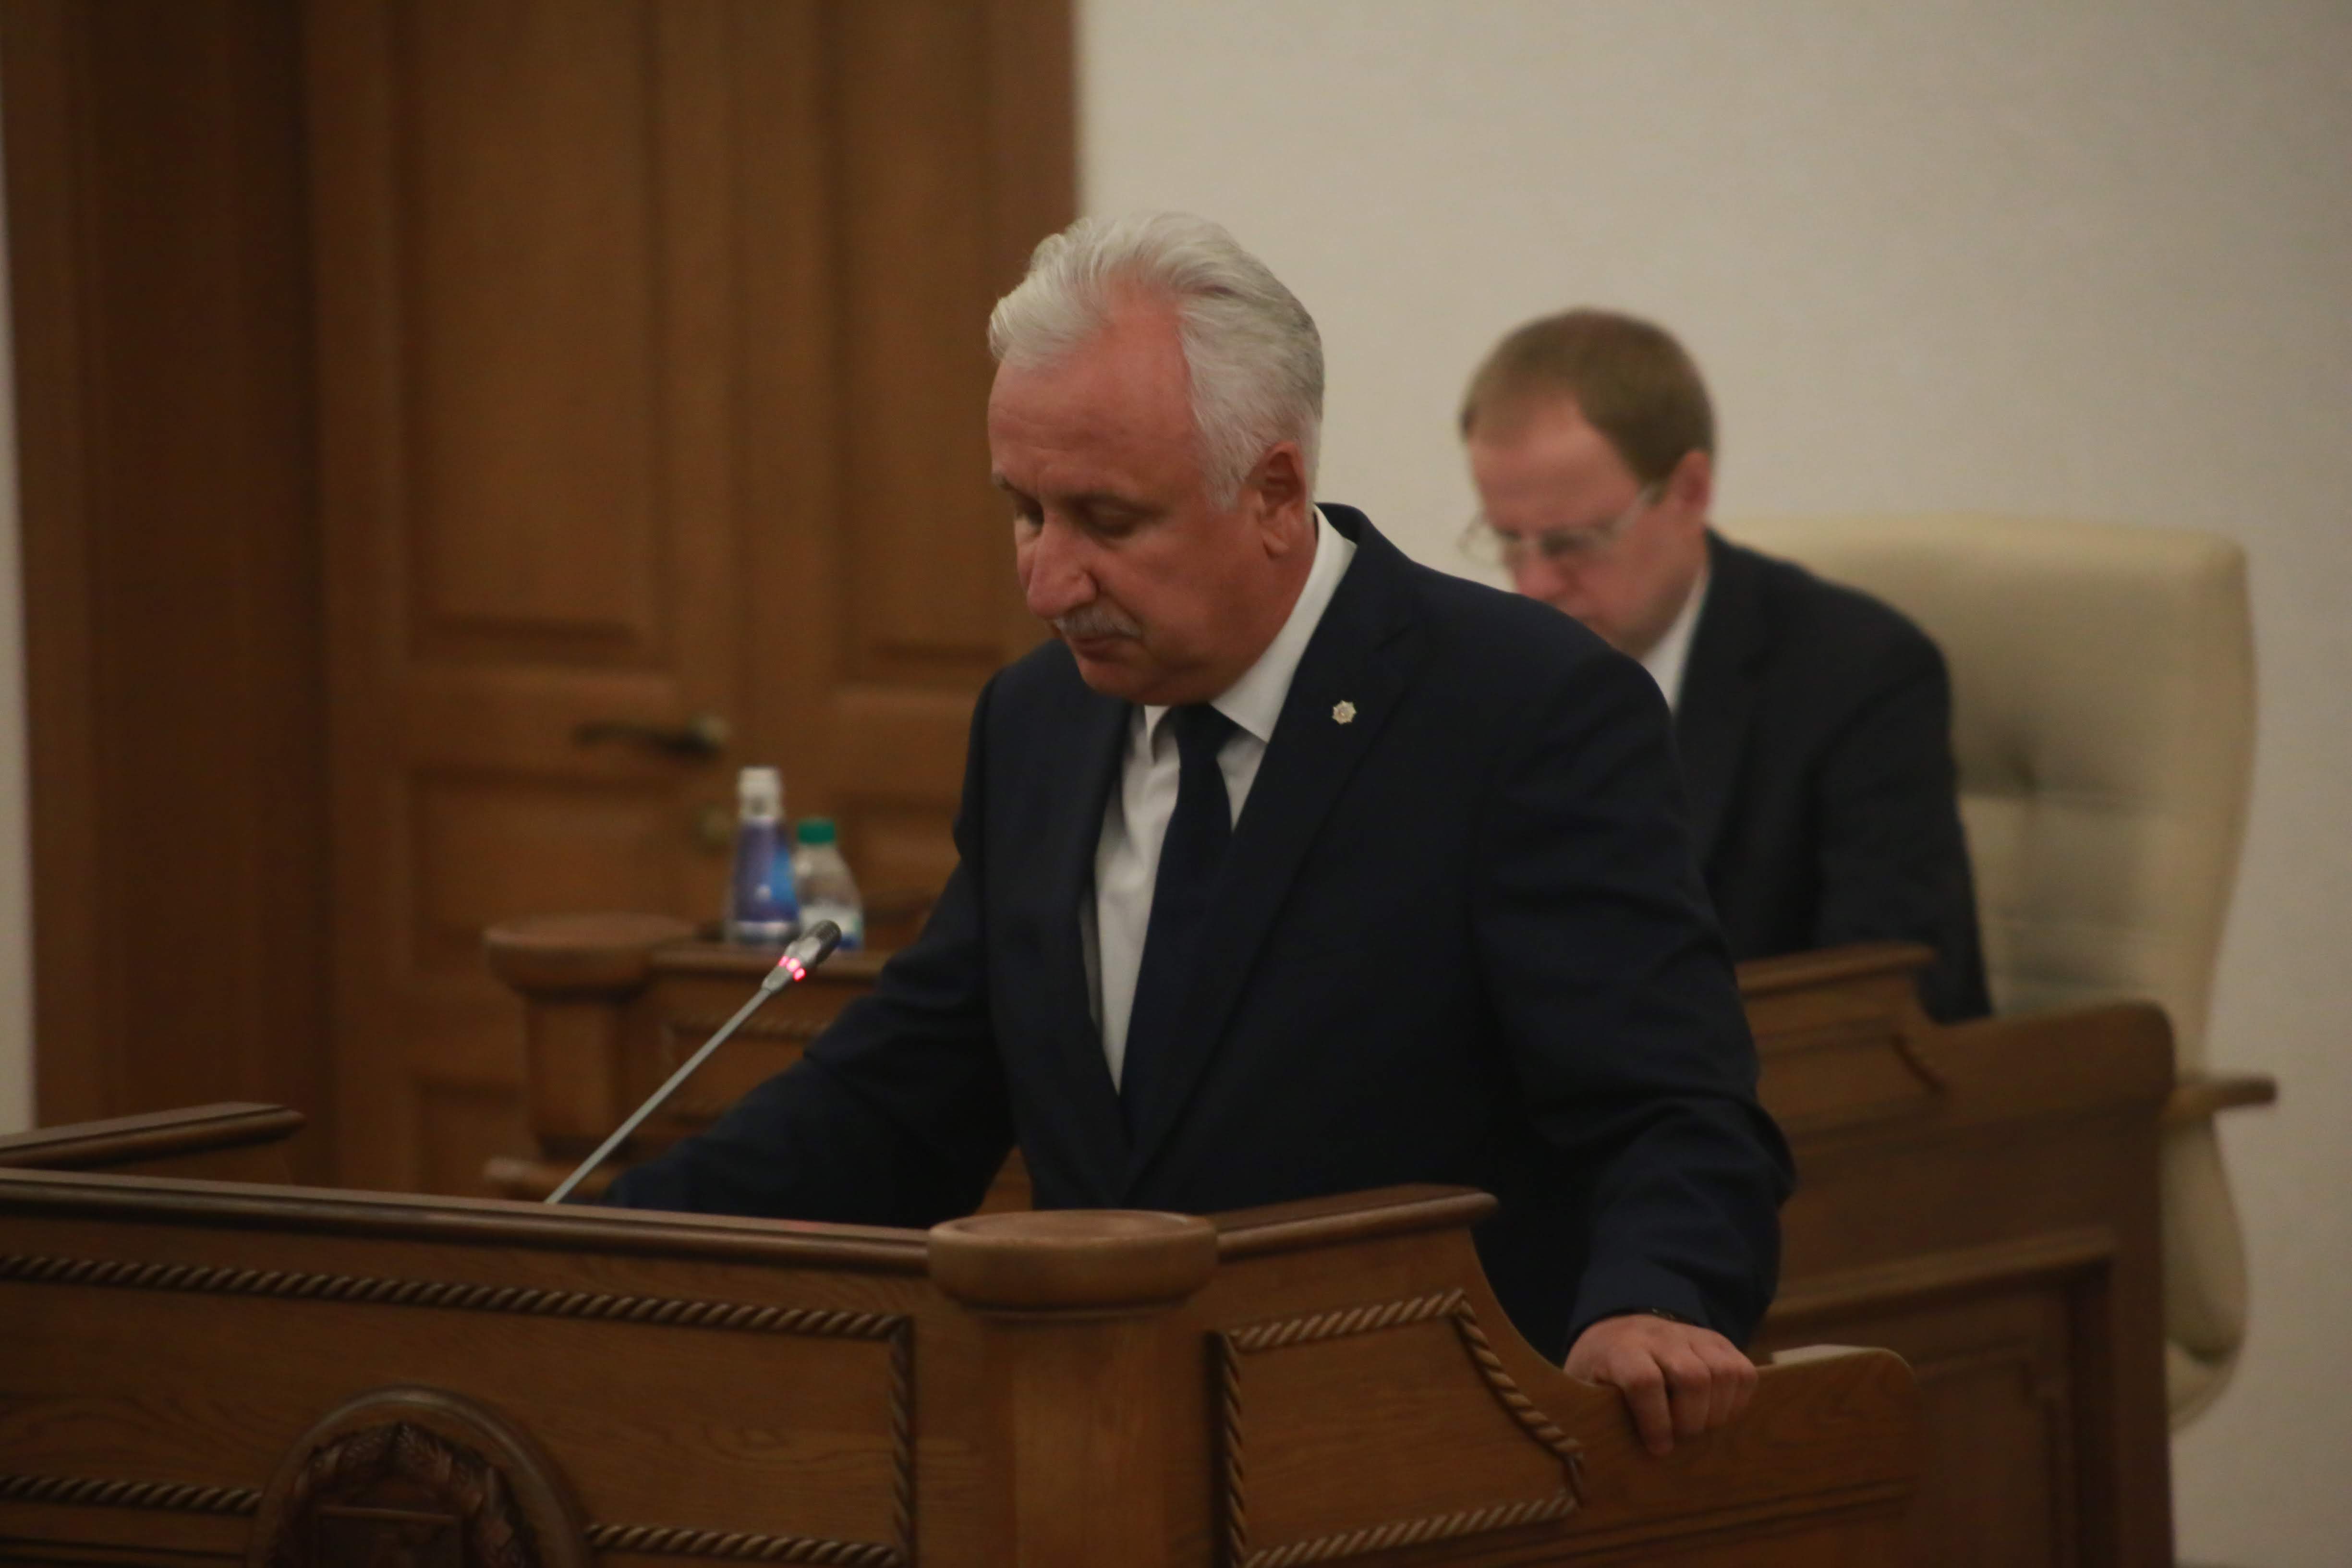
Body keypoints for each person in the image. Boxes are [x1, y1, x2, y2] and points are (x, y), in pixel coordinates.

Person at [609, 216, 1791, 1455]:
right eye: (1026, 511)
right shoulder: (1036, 721)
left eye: (1108, 521)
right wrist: (607, 1246)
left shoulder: (1520, 707)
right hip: (1091, 1443)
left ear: (1273, 492)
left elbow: (1671, 1105)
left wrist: (1654, 1299)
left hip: (1415, 1445)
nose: (1048, 582)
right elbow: (913, 1090)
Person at [1459, 310, 1991, 1023]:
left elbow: (1887, 992)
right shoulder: (1489, 679)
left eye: (1572, 543)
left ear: (1689, 491)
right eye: (1507, 540)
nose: (1533, 585)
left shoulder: (1859, 674)